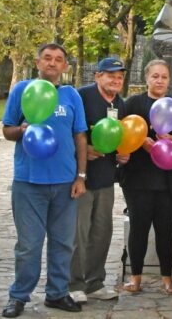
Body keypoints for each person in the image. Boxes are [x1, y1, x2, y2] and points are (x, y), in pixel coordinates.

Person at [1, 43, 87, 318]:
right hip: (28, 182)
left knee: (63, 243)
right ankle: (18, 297)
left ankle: (57, 293)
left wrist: (81, 176)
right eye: (47, 58)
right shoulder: (22, 90)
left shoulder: (71, 95)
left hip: (65, 183)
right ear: (38, 62)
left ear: (64, 67)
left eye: (58, 59)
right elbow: (7, 130)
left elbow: (80, 137)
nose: (52, 63)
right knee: (29, 245)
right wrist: (21, 129)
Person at [118, 59, 172, 295]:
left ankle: (167, 278)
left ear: (169, 80)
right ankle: (136, 278)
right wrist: (140, 139)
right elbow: (121, 129)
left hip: (168, 181)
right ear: (146, 79)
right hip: (138, 180)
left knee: (165, 230)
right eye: (155, 76)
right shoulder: (133, 103)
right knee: (139, 229)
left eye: (164, 76)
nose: (159, 80)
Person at [69, 58, 126, 303]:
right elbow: (68, 131)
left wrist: (123, 153)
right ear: (98, 76)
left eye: (120, 76)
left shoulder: (120, 104)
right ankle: (73, 284)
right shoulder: (80, 97)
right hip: (79, 177)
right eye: (111, 75)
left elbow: (117, 137)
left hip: (105, 178)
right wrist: (82, 150)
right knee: (78, 233)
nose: (115, 80)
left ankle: (95, 282)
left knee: (102, 232)